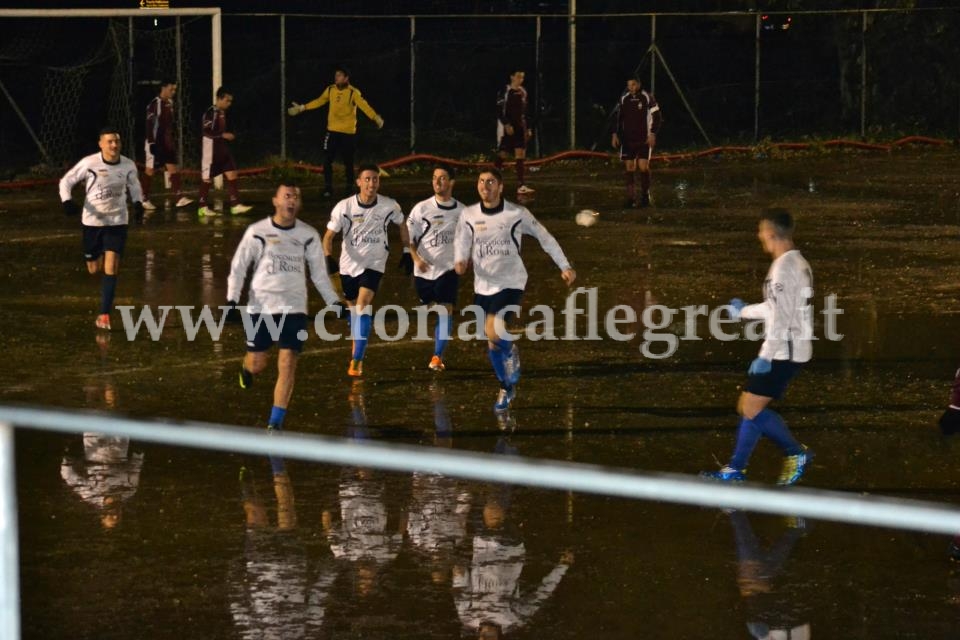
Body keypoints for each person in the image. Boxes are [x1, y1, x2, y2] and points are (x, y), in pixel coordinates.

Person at [701, 208, 814, 485]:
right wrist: (743, 312)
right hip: (788, 348)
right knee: (748, 406)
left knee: (750, 408)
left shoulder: (784, 268)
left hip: (783, 351)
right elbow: (775, 307)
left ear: (773, 233)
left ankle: (795, 453)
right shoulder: (795, 262)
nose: (759, 235)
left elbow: (782, 318)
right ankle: (736, 469)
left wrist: (765, 356)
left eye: (761, 231)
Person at [454, 169, 576, 412]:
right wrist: (460, 260)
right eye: (481, 181)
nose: (485, 186)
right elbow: (462, 241)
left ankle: (512, 351)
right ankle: (506, 388)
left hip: (511, 282)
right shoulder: (468, 214)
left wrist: (565, 265)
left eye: (491, 182)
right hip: (483, 284)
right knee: (492, 342)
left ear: (500, 187)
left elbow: (545, 237)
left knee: (494, 330)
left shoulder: (516, 213)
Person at [227, 182, 346, 430]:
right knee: (259, 363)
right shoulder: (257, 232)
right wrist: (231, 300)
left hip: (294, 309)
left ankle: (275, 424)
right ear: (276, 201)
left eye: (296, 197)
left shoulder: (308, 235)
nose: (291, 201)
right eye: (287, 196)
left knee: (288, 361)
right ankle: (247, 366)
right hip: (261, 307)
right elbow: (239, 268)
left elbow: (318, 275)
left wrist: (334, 301)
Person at [323, 163, 410, 377]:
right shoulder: (344, 207)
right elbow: (328, 237)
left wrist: (407, 250)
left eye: (375, 179)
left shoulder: (389, 205)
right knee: (353, 309)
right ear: (359, 182)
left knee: (362, 305)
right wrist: (327, 258)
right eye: (368, 179)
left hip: (374, 263)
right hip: (348, 265)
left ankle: (356, 361)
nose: (372, 183)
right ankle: (357, 348)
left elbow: (402, 224)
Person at [58, 126, 145, 331]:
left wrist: (138, 203)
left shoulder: (128, 165)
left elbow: (134, 186)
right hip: (92, 223)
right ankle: (92, 259)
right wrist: (67, 201)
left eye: (117, 141)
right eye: (110, 141)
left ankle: (104, 314)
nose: (114, 145)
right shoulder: (90, 163)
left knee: (112, 265)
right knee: (93, 268)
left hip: (117, 222)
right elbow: (67, 180)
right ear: (101, 144)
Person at [287, 66, 384, 198]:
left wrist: (375, 117)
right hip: (332, 132)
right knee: (327, 161)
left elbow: (364, 106)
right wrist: (303, 107)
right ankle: (328, 189)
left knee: (348, 162)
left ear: (346, 78)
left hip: (348, 134)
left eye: (339, 75)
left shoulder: (353, 92)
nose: (336, 77)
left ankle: (349, 189)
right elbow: (320, 100)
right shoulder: (330, 89)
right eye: (336, 75)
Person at [406, 164, 465, 371]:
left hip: (448, 270)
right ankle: (428, 301)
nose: (437, 182)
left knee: (445, 309)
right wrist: (416, 259)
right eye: (434, 178)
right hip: (423, 271)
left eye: (442, 178)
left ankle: (437, 356)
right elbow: (408, 238)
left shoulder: (462, 211)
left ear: (451, 182)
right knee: (428, 301)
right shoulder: (422, 209)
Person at [198, 87, 252, 217]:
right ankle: (202, 207)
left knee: (232, 174)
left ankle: (235, 205)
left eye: (231, 101)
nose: (229, 104)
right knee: (207, 179)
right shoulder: (210, 112)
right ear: (219, 98)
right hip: (211, 151)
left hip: (222, 150)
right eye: (227, 100)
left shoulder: (222, 113)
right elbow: (206, 131)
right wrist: (223, 135)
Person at [611, 76, 662, 208]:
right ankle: (631, 198)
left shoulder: (647, 97)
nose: (631, 87)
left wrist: (652, 134)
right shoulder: (624, 98)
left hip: (644, 139)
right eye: (629, 85)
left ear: (639, 84)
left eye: (633, 84)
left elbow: (657, 116)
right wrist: (615, 134)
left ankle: (645, 195)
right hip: (628, 139)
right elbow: (618, 117)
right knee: (630, 167)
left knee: (643, 166)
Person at [141, 80, 192, 210]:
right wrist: (152, 143)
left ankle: (179, 198)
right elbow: (149, 125)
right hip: (155, 142)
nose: (173, 92)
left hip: (166, 142)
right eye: (171, 89)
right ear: (163, 88)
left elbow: (168, 125)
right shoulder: (154, 104)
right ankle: (143, 198)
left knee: (172, 168)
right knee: (150, 170)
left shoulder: (170, 103)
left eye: (175, 90)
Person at [495, 69, 535, 195]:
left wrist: (528, 128)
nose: (520, 80)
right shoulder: (505, 91)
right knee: (503, 154)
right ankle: (492, 179)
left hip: (520, 127)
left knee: (520, 155)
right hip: (508, 128)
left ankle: (521, 185)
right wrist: (506, 124)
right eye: (518, 77)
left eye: (522, 77)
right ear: (512, 77)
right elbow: (499, 110)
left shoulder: (523, 92)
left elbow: (526, 112)